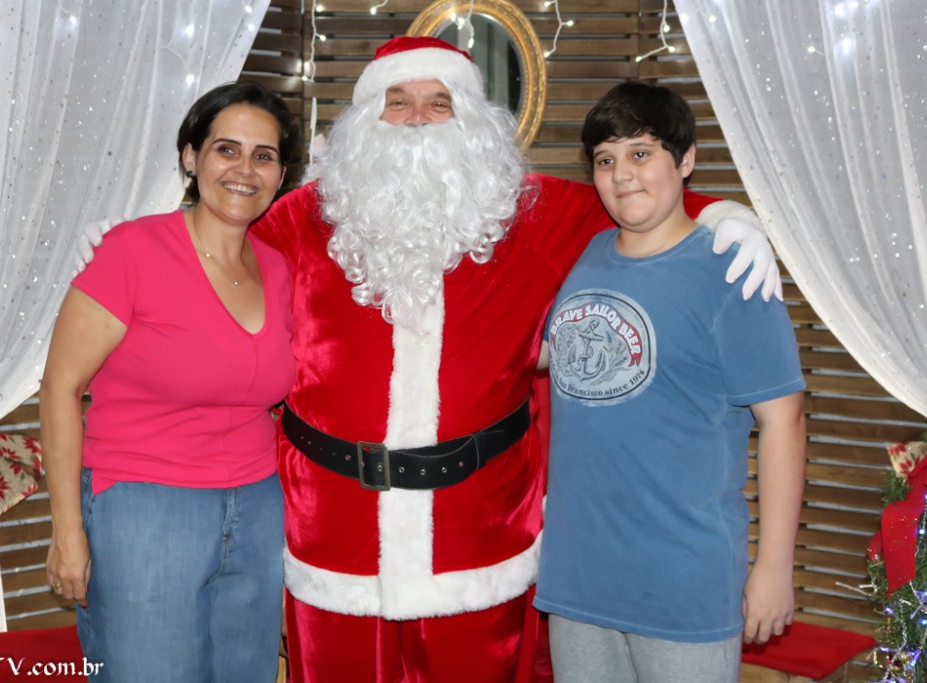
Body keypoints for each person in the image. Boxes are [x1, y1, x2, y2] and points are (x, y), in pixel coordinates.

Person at [247, 37, 783, 683]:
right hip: (334, 538)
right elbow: (214, 254)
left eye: (439, 102)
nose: (417, 118)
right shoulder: (301, 217)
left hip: (478, 539)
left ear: (471, 119)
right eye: (397, 101)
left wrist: (726, 215)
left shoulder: (527, 210)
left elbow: (639, 200)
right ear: (365, 117)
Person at [533, 80, 807, 683]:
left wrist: (774, 568)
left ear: (685, 161)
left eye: (640, 153)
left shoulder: (731, 270)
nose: (622, 175)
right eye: (605, 159)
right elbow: (540, 355)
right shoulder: (585, 255)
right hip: (577, 578)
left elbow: (784, 420)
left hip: (683, 582)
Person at [40, 81, 300, 683]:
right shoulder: (131, 251)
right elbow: (59, 388)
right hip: (144, 510)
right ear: (190, 156)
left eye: (263, 156)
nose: (244, 170)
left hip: (259, 510)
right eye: (226, 149)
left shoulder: (279, 268)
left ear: (281, 175)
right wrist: (67, 531)